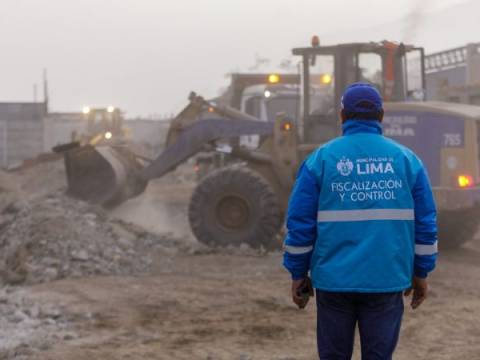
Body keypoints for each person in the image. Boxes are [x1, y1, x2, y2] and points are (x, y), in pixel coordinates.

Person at [283, 83, 438, 359]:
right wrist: (421, 273)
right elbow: (425, 224)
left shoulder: (320, 160)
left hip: (333, 283)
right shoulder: (407, 161)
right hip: (387, 280)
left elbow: (299, 224)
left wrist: (298, 274)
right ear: (381, 116)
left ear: (342, 116)